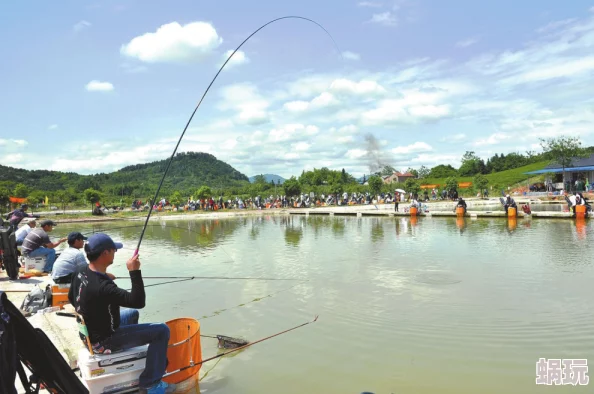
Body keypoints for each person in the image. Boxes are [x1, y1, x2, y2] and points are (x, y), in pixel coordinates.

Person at [68, 234, 175, 394]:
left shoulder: (81, 270)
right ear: (105, 253)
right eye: (113, 250)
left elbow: (72, 297)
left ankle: (138, 358)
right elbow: (138, 301)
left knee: (131, 314)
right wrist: (134, 271)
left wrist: (104, 277)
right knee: (162, 331)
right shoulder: (103, 287)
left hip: (88, 334)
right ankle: (151, 384)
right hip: (104, 341)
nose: (115, 253)